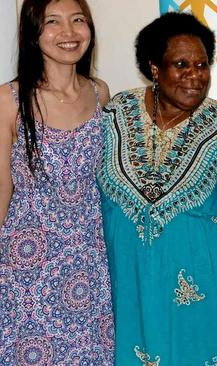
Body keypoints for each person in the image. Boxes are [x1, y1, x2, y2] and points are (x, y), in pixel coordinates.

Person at [97, 12, 217, 366]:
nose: (195, 76)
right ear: (155, 68)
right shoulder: (116, 112)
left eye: (202, 65)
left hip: (200, 286)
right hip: (129, 284)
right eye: (181, 65)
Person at [0, 0, 114, 364]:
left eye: (77, 20)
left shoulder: (100, 93)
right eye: (53, 22)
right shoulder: (9, 100)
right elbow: (1, 186)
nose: (68, 32)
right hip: (28, 267)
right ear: (34, 34)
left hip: (92, 263)